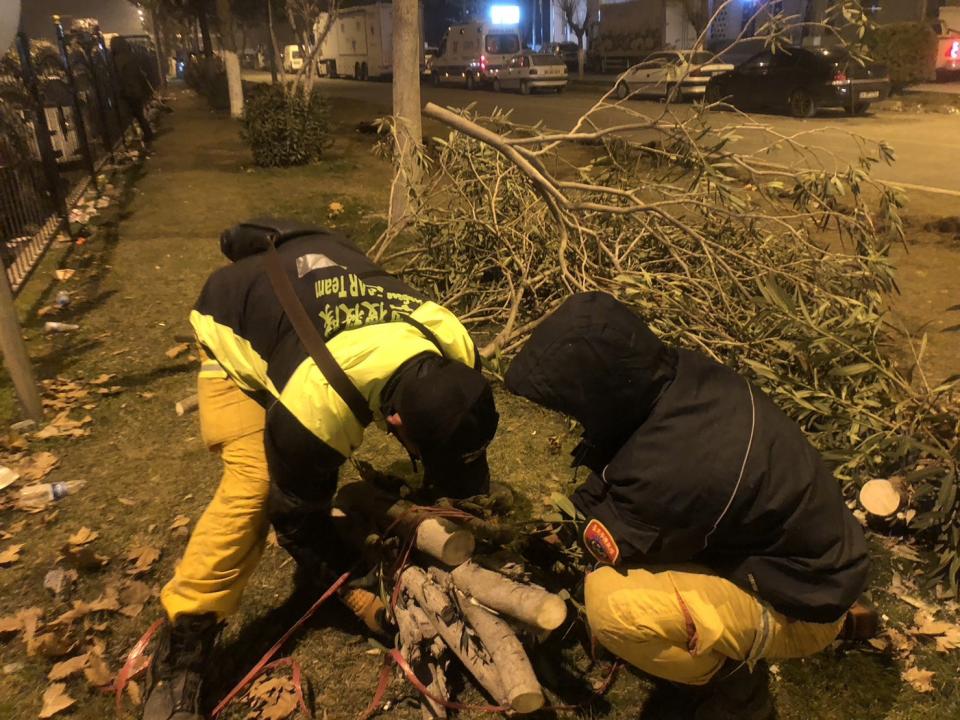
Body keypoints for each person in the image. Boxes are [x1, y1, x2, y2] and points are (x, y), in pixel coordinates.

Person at [142, 220, 498, 720]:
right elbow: (296, 520)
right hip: (234, 322)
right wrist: (351, 581)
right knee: (254, 487)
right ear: (393, 420)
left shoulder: (453, 341)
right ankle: (185, 637)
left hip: (311, 276)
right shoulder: (315, 408)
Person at [504, 292, 871, 720]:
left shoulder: (674, 467)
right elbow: (619, 473)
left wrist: (577, 534)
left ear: (595, 390)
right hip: (820, 559)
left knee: (612, 604)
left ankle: (731, 686)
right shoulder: (681, 377)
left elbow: (617, 542)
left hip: (806, 601)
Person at [110, 37, 155, 142]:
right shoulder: (130, 56)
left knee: (131, 114)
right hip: (135, 89)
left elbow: (119, 76)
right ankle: (147, 133)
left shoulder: (118, 59)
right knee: (139, 114)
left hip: (128, 91)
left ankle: (141, 134)